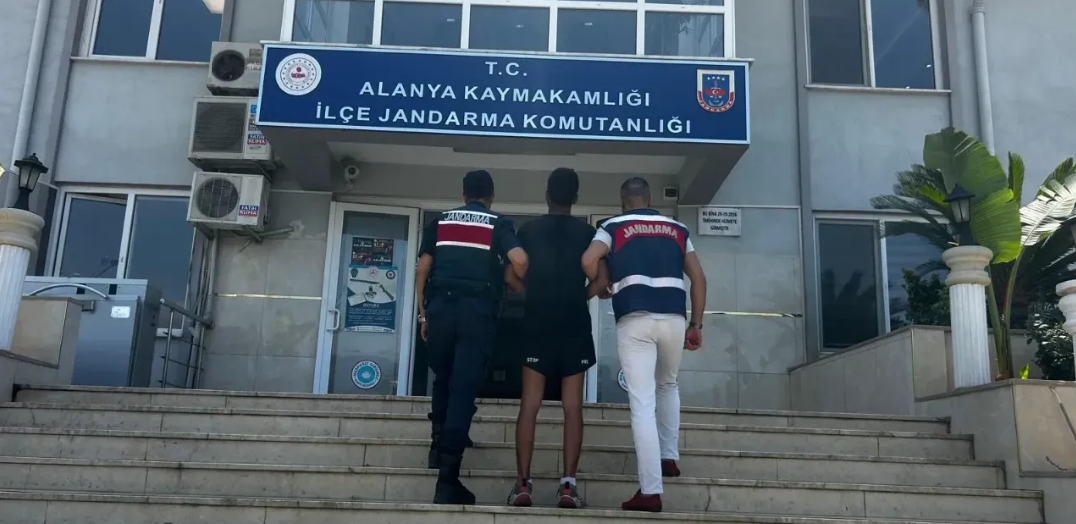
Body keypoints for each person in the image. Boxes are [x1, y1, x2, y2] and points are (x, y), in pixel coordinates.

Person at [581, 177, 707, 513]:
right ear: (650, 200)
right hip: (674, 319)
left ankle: (650, 491)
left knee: (642, 403)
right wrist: (696, 325)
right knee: (668, 385)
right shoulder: (677, 228)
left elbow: (589, 260)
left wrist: (603, 283)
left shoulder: (613, 226)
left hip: (635, 319)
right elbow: (698, 277)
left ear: (623, 201)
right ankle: (669, 457)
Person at [415, 169, 529, 505]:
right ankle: (447, 478)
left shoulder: (441, 221)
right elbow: (520, 260)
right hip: (476, 313)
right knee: (463, 388)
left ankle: (437, 447)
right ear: (490, 196)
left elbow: (423, 269)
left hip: (440, 310)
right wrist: (512, 278)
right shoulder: (498, 222)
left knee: (443, 377)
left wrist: (423, 314)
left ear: (464, 194)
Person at [504, 168, 610, 509]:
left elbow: (511, 277)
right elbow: (601, 280)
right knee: (573, 406)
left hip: (537, 321)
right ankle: (568, 486)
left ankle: (523, 485)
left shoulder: (528, 230)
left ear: (547, 194)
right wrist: (579, 298)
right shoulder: (589, 233)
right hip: (573, 322)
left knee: (530, 403)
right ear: (575, 198)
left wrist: (530, 295)